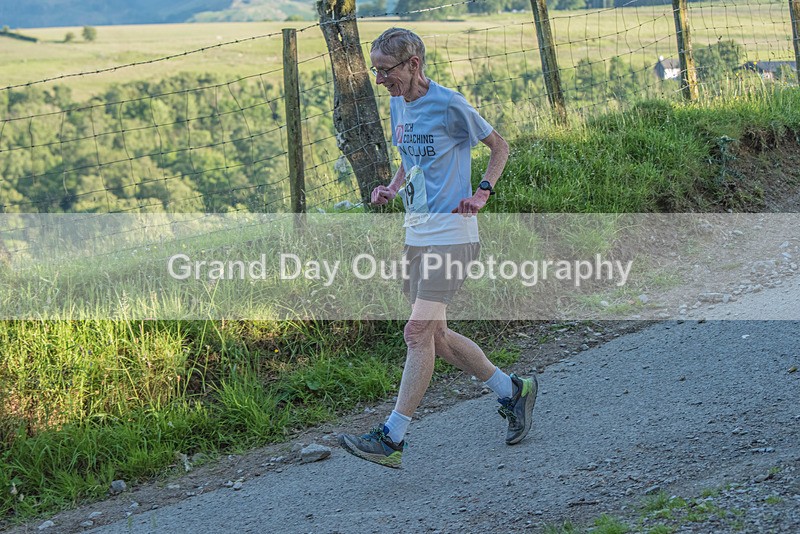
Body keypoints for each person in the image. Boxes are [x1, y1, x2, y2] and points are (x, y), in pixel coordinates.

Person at [339, 28, 538, 469]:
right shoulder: (398, 102)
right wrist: (391, 188)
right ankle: (513, 391)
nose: (380, 80)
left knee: (416, 333)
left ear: (413, 64)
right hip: (418, 234)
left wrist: (483, 192)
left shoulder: (449, 104)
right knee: (438, 338)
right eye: (375, 70)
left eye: (385, 70)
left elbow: (499, 147)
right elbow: (411, 159)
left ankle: (392, 437)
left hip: (453, 237)